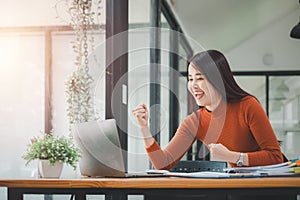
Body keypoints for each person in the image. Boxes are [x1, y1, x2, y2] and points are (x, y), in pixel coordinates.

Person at [132, 49, 283, 170]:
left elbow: (275, 157)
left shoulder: (247, 105)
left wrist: (232, 157)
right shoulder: (195, 122)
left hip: (270, 185)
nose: (193, 85)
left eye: (200, 78)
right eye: (190, 79)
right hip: (239, 186)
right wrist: (144, 128)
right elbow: (163, 163)